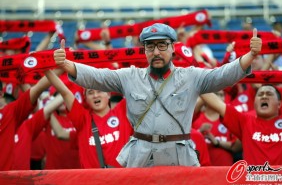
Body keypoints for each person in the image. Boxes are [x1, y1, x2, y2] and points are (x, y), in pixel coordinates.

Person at [53, 23, 262, 167]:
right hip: (140, 156)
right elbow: (97, 77)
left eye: (162, 45)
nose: (156, 51)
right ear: (144, 50)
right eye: (150, 46)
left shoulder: (190, 76)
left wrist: (250, 55)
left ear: (172, 48)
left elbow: (222, 76)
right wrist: (67, 65)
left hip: (180, 155)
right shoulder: (130, 76)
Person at [44, 68, 133, 168]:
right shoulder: (82, 119)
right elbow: (65, 92)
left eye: (99, 91)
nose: (95, 95)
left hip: (122, 179)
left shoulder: (122, 111)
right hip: (93, 181)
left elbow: (138, 83)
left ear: (108, 94)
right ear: (85, 98)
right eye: (90, 92)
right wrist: (45, 69)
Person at [200, 84, 282, 165]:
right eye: (260, 94)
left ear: (279, 104)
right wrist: (197, 81)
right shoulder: (245, 122)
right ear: (254, 102)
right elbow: (218, 105)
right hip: (255, 184)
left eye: (269, 94)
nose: (264, 96)